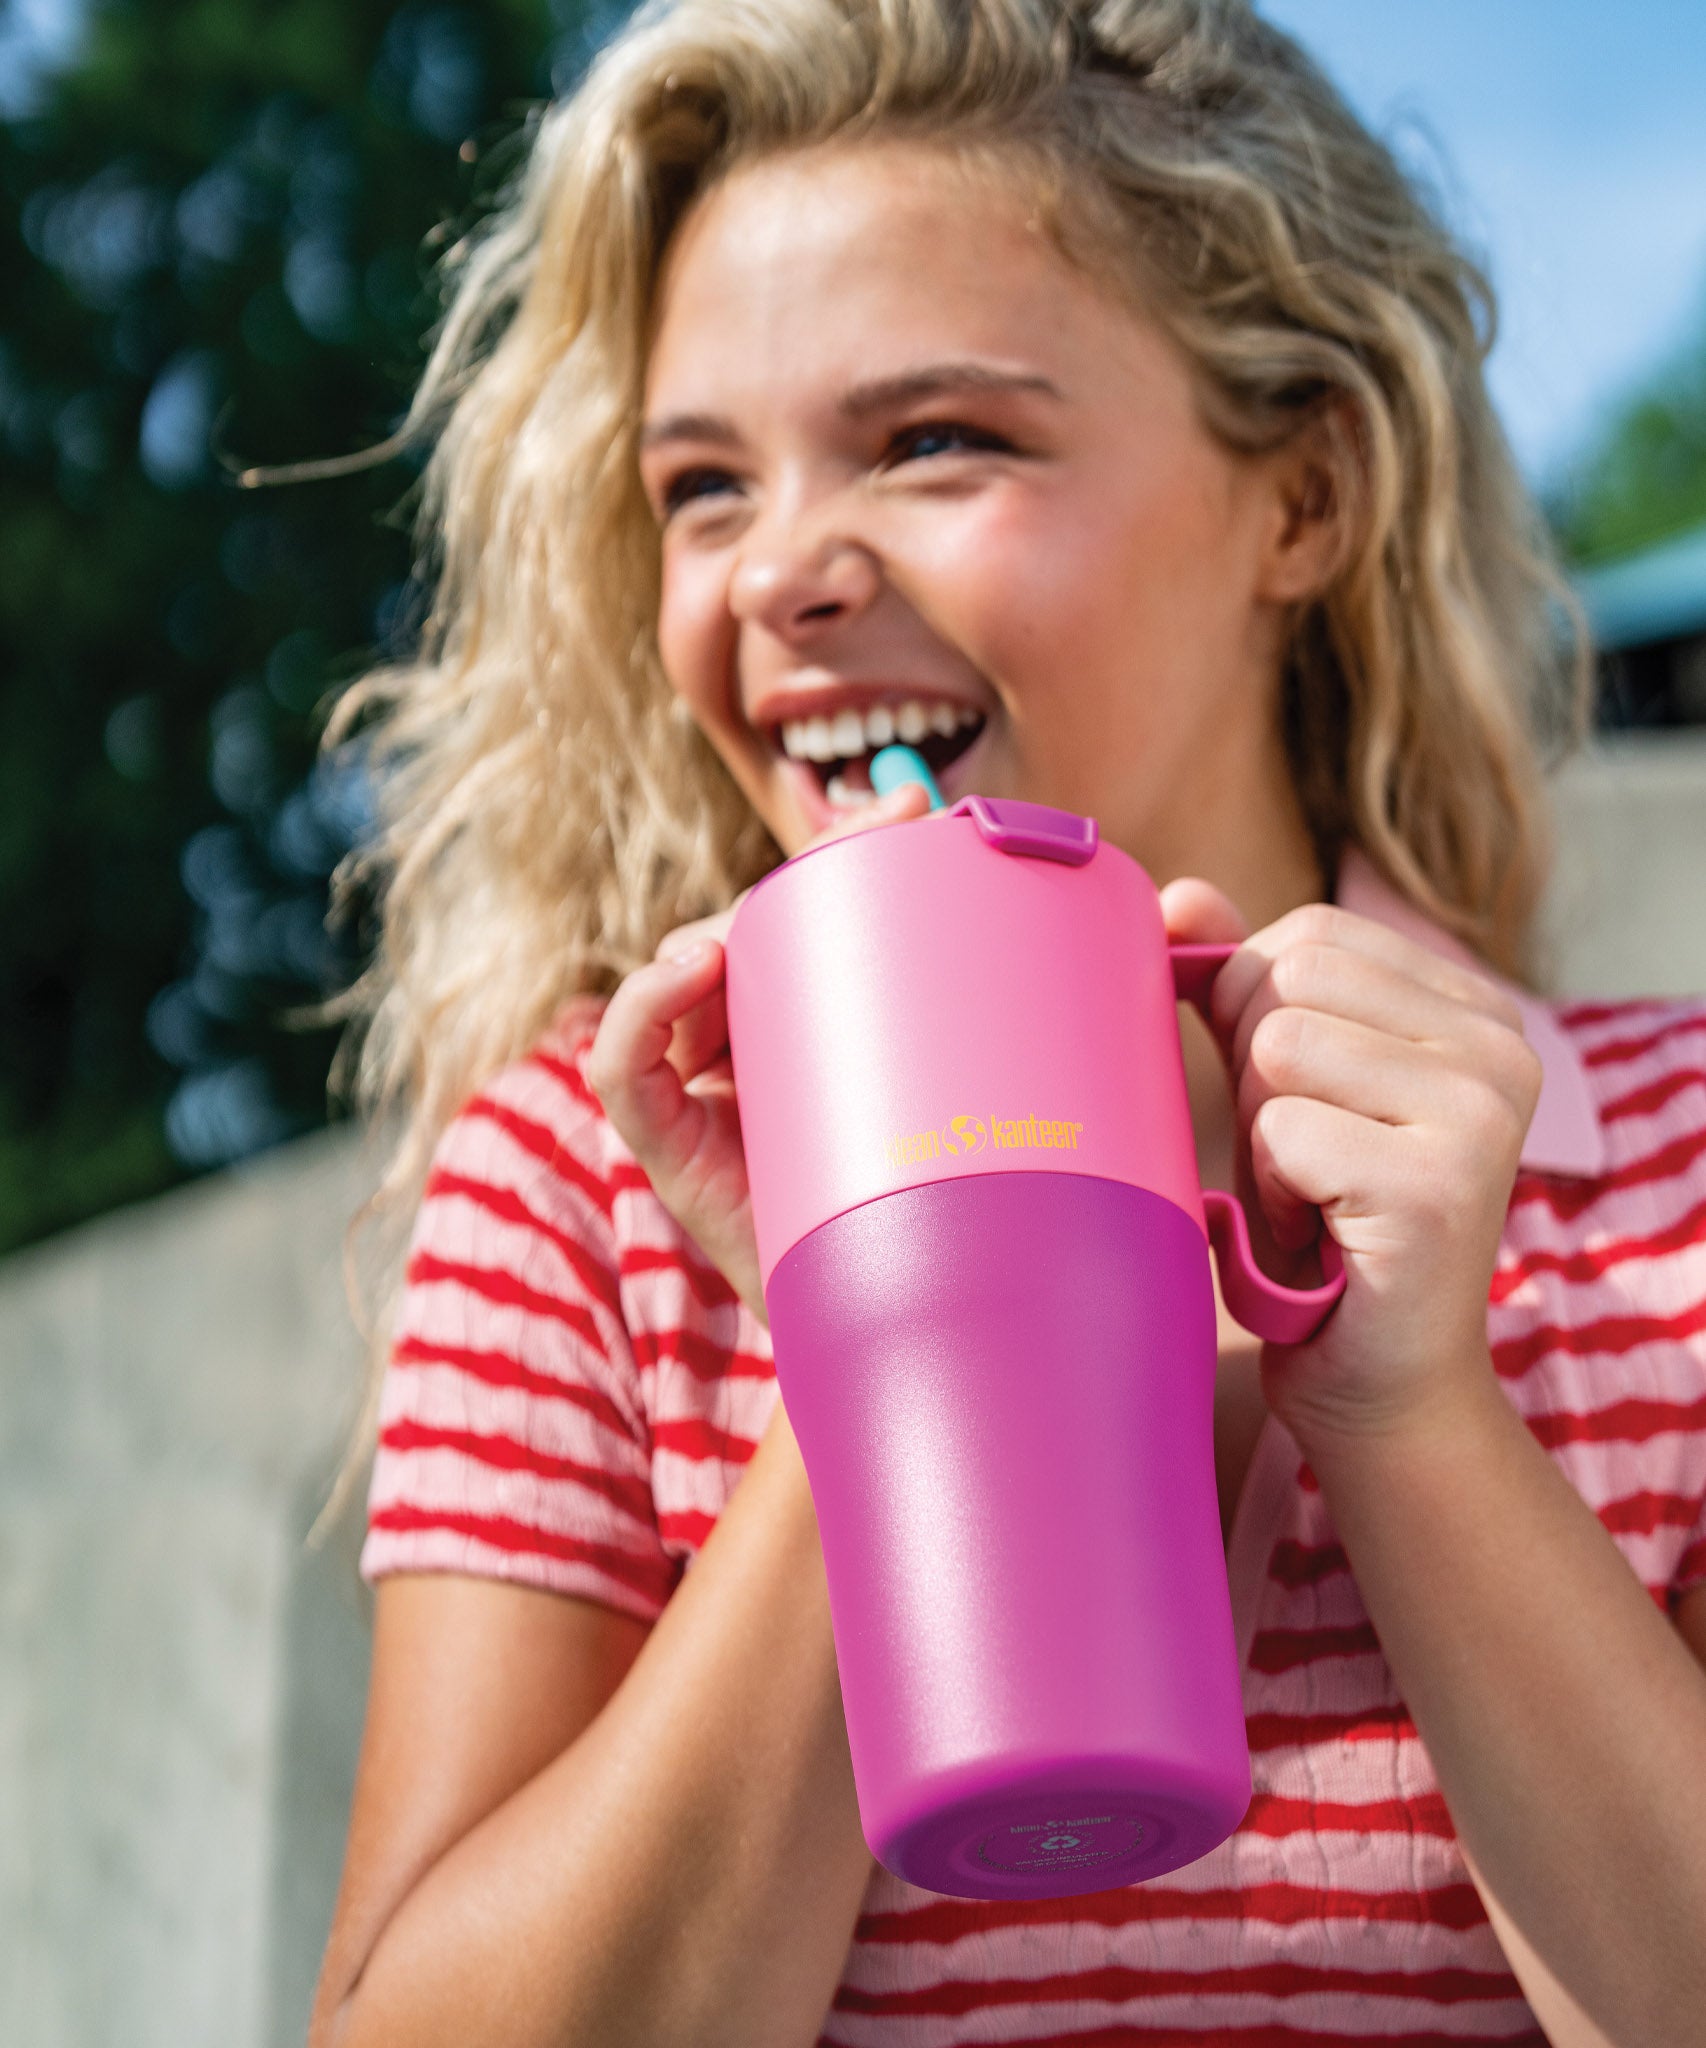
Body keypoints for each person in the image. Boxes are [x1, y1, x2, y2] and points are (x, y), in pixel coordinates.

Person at [306, 2, 1706, 2042]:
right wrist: (864, 1346)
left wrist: (1412, 1414)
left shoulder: (1672, 1165)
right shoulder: (573, 1186)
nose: (777, 569)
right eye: (702, 486)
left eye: (933, 438)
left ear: (1299, 498)